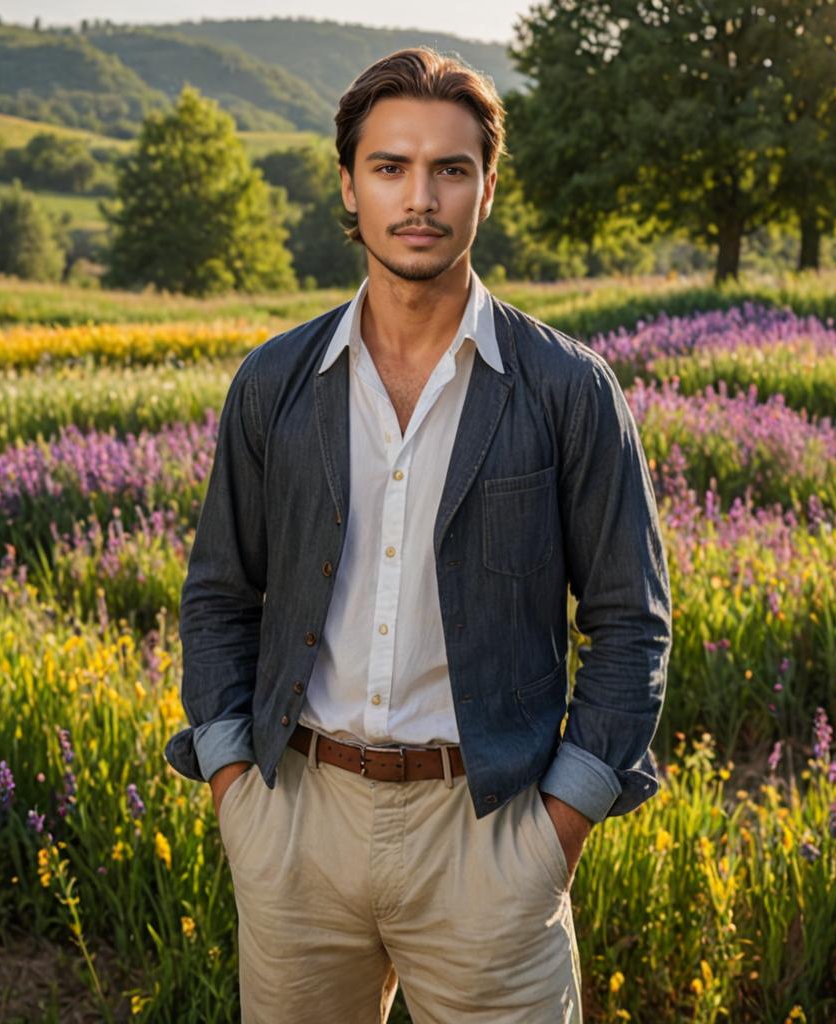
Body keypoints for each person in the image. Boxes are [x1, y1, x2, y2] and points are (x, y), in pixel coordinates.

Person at [164, 45, 672, 1024]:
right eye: (390, 166)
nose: (420, 197)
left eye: (450, 168)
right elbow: (219, 593)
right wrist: (238, 794)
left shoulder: (567, 388)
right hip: (299, 818)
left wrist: (554, 833)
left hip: (488, 829)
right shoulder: (274, 381)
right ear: (349, 185)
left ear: (486, 188)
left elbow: (631, 622)